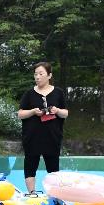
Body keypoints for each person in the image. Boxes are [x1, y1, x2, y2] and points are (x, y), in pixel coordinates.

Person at [17, 62, 68, 194]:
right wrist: (33, 112)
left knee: (53, 168)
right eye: (35, 74)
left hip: (52, 136)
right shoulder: (29, 94)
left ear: (49, 75)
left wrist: (56, 110)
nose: (37, 77)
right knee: (30, 164)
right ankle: (32, 193)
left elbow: (65, 113)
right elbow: (20, 114)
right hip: (32, 136)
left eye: (41, 74)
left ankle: (54, 194)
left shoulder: (58, 93)